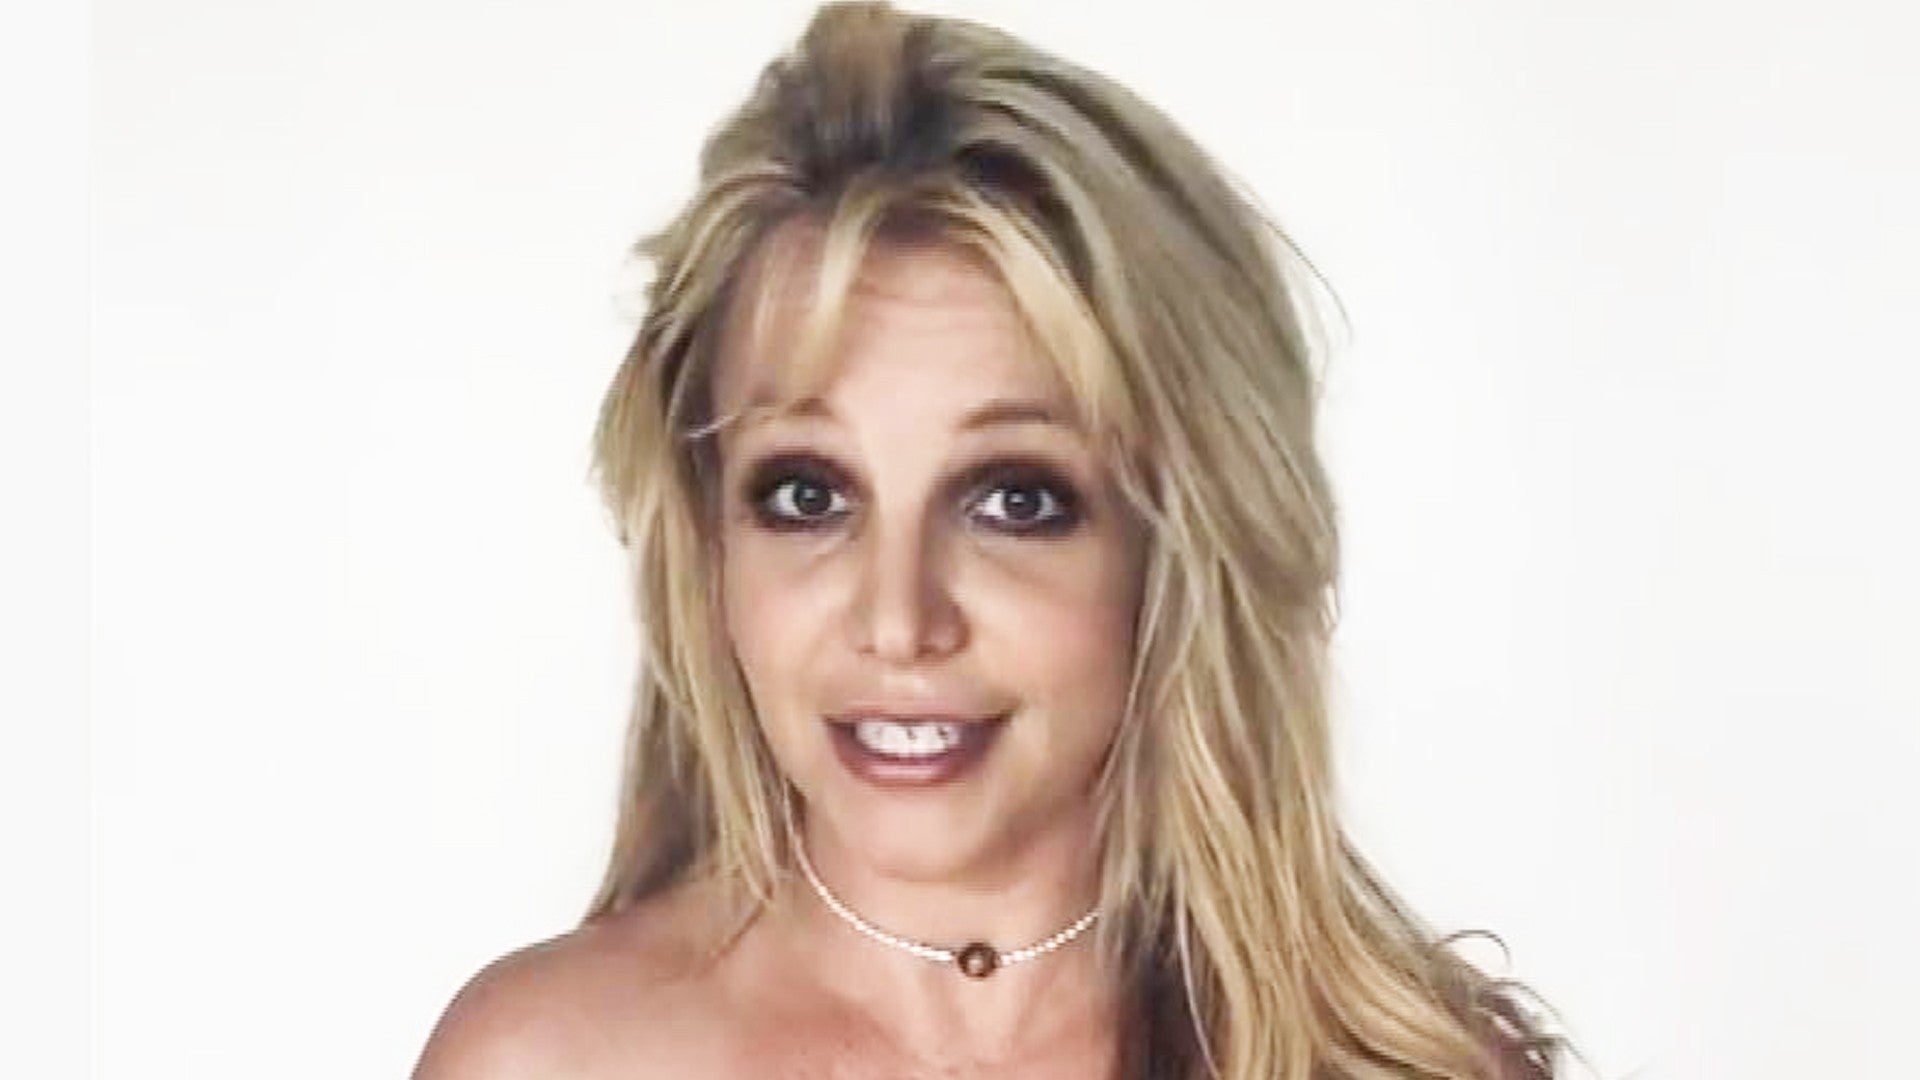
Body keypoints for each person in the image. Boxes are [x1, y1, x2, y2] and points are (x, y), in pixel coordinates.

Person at [414, 3, 1570, 1077]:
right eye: (808, 494)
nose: (897, 622)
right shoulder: (547, 1059)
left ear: (1181, 543)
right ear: (705, 542)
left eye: (1015, 500)